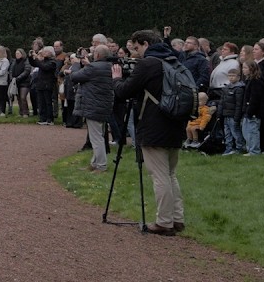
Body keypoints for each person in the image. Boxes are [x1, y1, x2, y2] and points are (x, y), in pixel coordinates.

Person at [111, 29, 186, 236]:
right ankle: (177, 218)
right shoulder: (174, 60)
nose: (135, 52)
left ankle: (164, 222)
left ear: (144, 43)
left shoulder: (149, 63)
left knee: (160, 175)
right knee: (171, 174)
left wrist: (116, 79)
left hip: (154, 125)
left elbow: (124, 91)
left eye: (136, 47)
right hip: (176, 123)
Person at [70, 45, 115, 173]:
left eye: (94, 52)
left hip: (93, 105)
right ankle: (95, 163)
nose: (92, 54)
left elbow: (74, 77)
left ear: (98, 55)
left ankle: (101, 165)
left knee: (96, 138)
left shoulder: (93, 67)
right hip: (103, 104)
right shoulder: (108, 66)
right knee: (98, 135)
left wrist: (76, 64)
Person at [218, 68, 246, 155]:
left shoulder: (239, 88)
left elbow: (239, 104)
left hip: (234, 115)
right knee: (227, 133)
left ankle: (239, 147)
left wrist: (237, 116)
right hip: (226, 114)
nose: (231, 78)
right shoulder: (225, 88)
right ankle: (228, 148)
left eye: (233, 76)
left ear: (238, 77)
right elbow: (221, 102)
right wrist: (219, 112)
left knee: (235, 132)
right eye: (229, 76)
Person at [31, 47, 59, 125]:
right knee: (41, 102)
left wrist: (37, 58)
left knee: (48, 102)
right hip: (40, 84)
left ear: (50, 53)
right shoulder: (43, 61)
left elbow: (44, 67)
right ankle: (43, 118)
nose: (44, 53)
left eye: (46, 52)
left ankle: (50, 119)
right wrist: (31, 57)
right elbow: (34, 63)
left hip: (48, 84)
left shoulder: (52, 62)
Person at [11, 48, 31, 117]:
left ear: (22, 54)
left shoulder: (26, 61)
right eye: (16, 53)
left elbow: (27, 71)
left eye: (18, 53)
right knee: (18, 98)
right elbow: (11, 70)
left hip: (25, 82)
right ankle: (21, 112)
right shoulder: (14, 62)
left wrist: (19, 77)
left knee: (23, 97)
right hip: (16, 82)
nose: (17, 55)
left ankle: (26, 112)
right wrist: (12, 78)